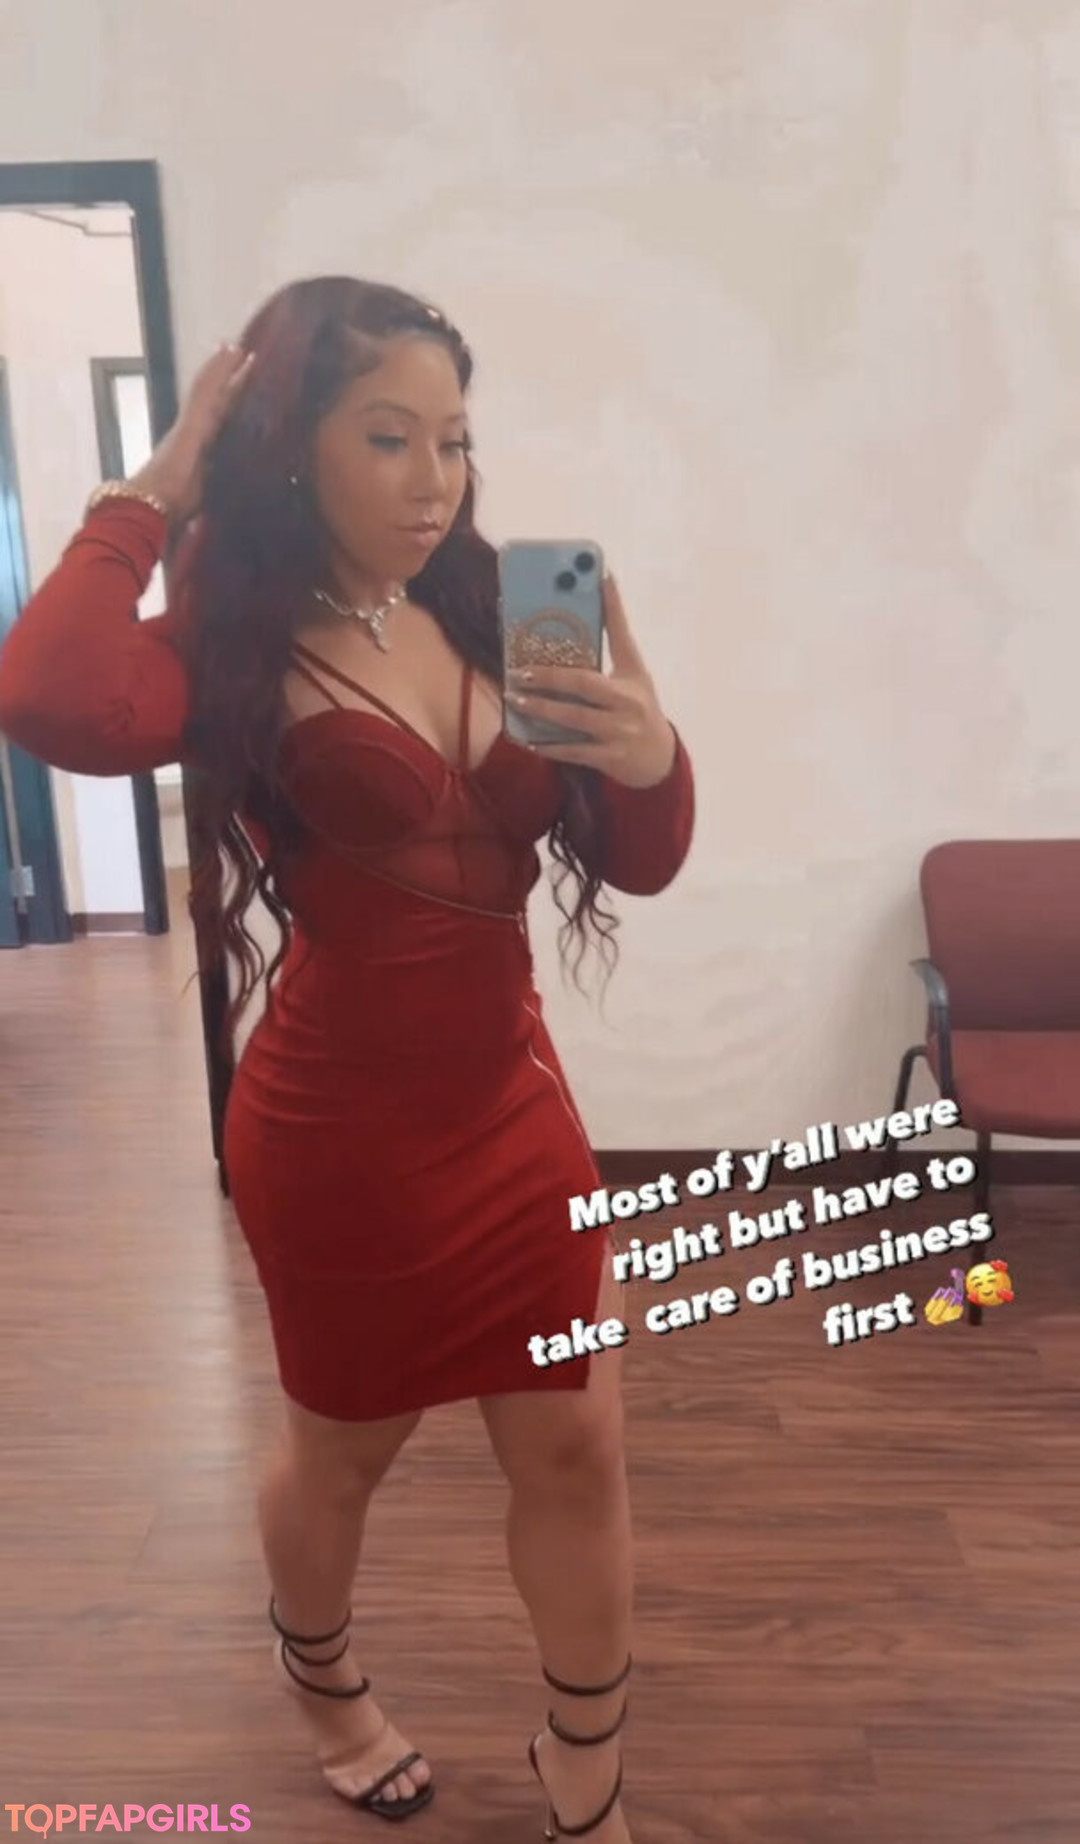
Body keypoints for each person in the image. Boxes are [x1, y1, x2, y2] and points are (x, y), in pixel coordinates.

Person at [0, 277, 695, 1839]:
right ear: (287, 447)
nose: (435, 479)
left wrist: (654, 755)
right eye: (388, 437)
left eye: (454, 439)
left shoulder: (513, 601)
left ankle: (588, 1761)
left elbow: (639, 858)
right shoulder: (229, 649)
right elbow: (43, 692)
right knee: (343, 1455)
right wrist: (155, 482)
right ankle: (323, 1686)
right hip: (338, 1143)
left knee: (577, 1440)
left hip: (512, 1108)